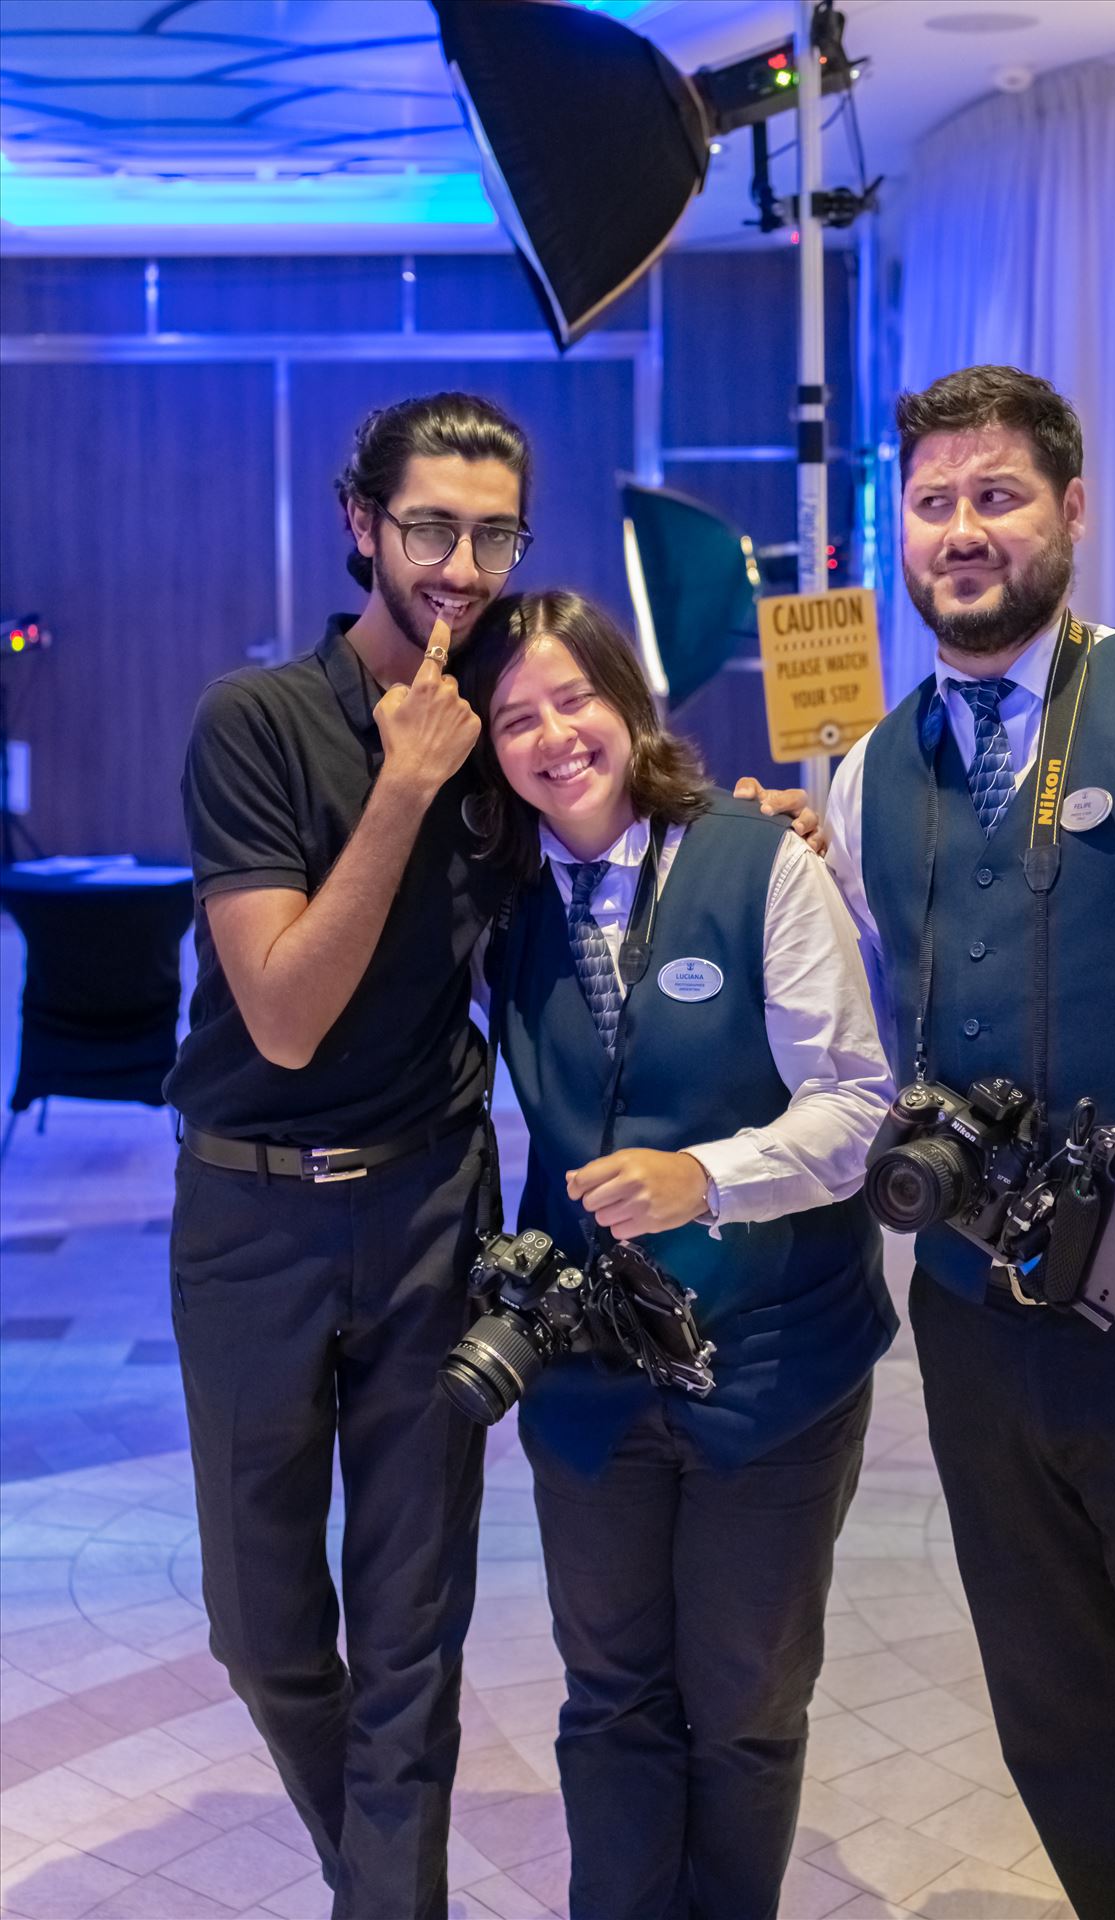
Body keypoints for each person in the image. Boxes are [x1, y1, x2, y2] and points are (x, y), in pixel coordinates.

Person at [823, 364, 1115, 1920]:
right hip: (979, 1326)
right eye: (935, 503)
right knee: (1062, 1720)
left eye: (997, 496)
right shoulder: (870, 772)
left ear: (1072, 511)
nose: (963, 532)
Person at [460, 588, 898, 1920]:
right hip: (592, 1373)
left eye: (575, 698)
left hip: (773, 1361)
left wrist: (703, 1176)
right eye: (515, 718)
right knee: (611, 1695)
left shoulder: (757, 861)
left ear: (629, 701)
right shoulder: (498, 905)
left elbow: (857, 1106)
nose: (553, 736)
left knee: (748, 1702)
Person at [164, 392, 534, 1920]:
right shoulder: (257, 723)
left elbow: (622, 814)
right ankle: (374, 1873)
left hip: (432, 1203)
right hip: (251, 1212)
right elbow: (288, 1013)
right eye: (432, 528)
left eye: (494, 533)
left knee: (409, 1624)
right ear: (361, 527)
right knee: (261, 1632)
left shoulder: (506, 717)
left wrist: (767, 820)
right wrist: (402, 783)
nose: (462, 564)